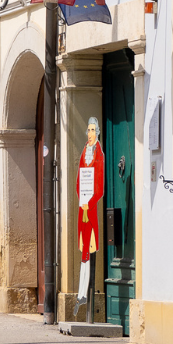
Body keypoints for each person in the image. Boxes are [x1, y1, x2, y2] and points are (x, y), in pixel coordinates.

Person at [76, 116, 104, 306]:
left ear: (98, 132)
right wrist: (81, 200)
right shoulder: (83, 152)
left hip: (91, 210)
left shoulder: (99, 155)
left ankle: (83, 293)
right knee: (83, 250)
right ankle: (81, 294)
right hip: (82, 209)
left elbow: (100, 188)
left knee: (88, 249)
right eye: (88, 130)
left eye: (93, 130)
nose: (90, 133)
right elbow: (79, 181)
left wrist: (90, 202)